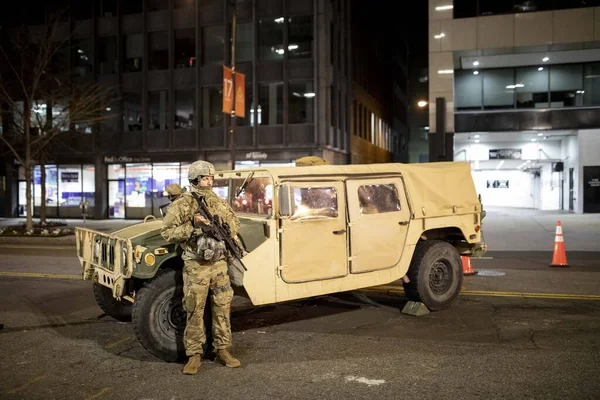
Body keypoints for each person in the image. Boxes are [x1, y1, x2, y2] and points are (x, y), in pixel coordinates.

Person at [160, 160, 241, 375]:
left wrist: (224, 225)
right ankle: (194, 355)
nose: (210, 181)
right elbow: (167, 232)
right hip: (197, 265)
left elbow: (235, 224)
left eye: (212, 178)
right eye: (206, 177)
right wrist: (194, 227)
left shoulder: (219, 202)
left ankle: (223, 350)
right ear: (196, 179)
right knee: (194, 309)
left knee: (222, 307)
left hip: (219, 264)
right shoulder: (184, 203)